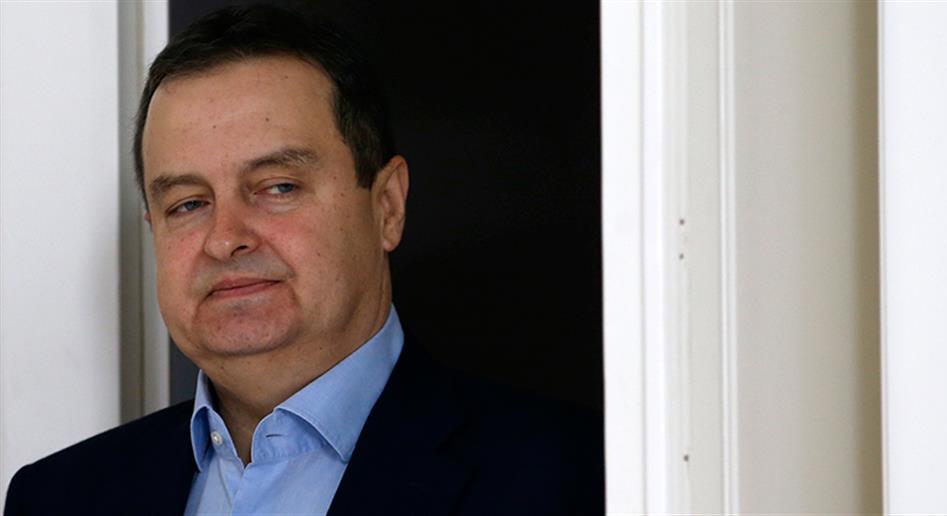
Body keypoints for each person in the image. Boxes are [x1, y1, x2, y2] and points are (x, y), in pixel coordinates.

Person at [2, 5, 603, 515]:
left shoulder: (585, 478)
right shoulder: (55, 499)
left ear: (387, 207)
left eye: (278, 187)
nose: (224, 239)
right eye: (188, 203)